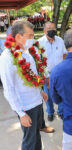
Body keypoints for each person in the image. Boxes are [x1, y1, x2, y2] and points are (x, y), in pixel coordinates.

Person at [0, 20, 52, 150]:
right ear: (18, 36)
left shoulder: (26, 50)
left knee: (36, 135)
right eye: (30, 35)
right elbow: (8, 89)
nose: (32, 38)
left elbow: (32, 76)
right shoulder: (8, 58)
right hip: (26, 106)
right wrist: (21, 113)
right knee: (29, 140)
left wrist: (40, 91)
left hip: (37, 101)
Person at [38, 22, 67, 121]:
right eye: (49, 28)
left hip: (60, 73)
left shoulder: (60, 40)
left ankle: (61, 111)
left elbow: (64, 55)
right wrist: (45, 76)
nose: (52, 30)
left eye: (54, 28)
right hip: (47, 74)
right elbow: (38, 62)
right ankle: (50, 112)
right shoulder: (39, 43)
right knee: (49, 96)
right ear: (44, 30)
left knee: (61, 94)